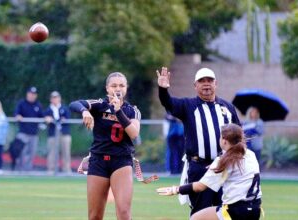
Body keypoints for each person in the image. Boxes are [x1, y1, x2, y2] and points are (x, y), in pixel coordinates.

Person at [156, 67, 240, 215]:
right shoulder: (188, 106)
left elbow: (239, 136)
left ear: (216, 84)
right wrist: (163, 89)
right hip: (199, 167)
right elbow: (168, 103)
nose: (206, 84)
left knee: (226, 213)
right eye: (202, 81)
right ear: (195, 86)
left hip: (224, 167)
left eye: (210, 80)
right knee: (200, 213)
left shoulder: (227, 107)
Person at [69, 72, 141, 220]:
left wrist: (118, 111)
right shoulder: (100, 104)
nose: (118, 88)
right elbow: (74, 104)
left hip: (121, 161)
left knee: (124, 214)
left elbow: (133, 133)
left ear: (126, 88)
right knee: (95, 215)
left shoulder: (132, 110)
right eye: (114, 85)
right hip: (98, 161)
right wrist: (84, 112)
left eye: (121, 85)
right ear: (107, 88)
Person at [157, 123, 262, 220]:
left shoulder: (223, 161)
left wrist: (176, 189)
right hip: (256, 209)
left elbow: (199, 187)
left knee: (195, 218)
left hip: (235, 211)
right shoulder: (250, 154)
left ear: (224, 141)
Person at [14, 86, 43, 171]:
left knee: (32, 153)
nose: (32, 95)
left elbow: (42, 115)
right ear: (27, 94)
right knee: (21, 152)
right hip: (23, 133)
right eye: (30, 93)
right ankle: (19, 170)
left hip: (34, 134)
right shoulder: (21, 103)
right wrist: (18, 116)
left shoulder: (38, 105)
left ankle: (28, 170)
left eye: (34, 94)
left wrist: (47, 117)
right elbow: (16, 113)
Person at [44, 91, 72, 174]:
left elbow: (67, 118)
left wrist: (63, 120)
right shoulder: (48, 109)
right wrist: (47, 119)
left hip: (64, 133)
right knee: (52, 152)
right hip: (52, 134)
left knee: (66, 151)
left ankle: (66, 169)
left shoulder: (65, 108)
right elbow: (45, 118)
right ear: (51, 99)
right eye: (53, 98)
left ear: (59, 98)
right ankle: (51, 169)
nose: (55, 99)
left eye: (57, 97)